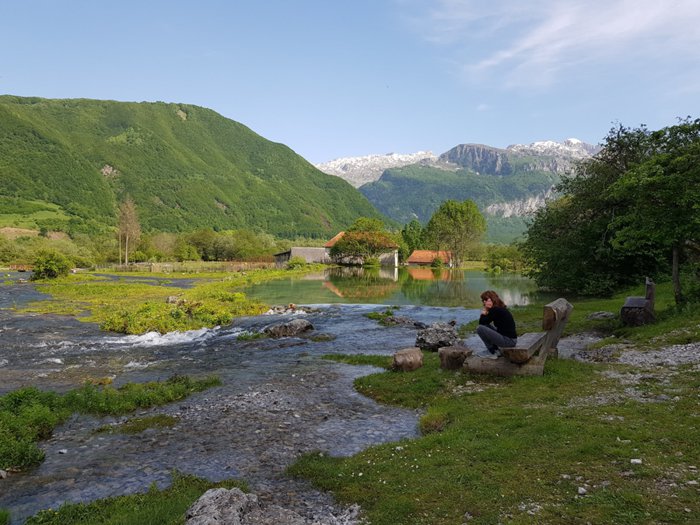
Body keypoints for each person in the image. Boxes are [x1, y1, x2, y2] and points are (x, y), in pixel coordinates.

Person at [476, 290, 517, 360]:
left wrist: (485, 310)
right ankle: (496, 350)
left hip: (509, 341)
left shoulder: (495, 310)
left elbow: (481, 323)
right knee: (485, 326)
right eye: (483, 300)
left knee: (480, 328)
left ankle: (492, 352)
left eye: (486, 300)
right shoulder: (499, 308)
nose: (484, 302)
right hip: (510, 339)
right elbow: (485, 323)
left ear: (492, 299)